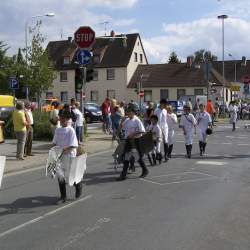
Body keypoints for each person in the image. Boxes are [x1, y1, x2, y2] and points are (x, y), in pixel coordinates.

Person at [52, 110, 82, 203]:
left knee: (70, 177)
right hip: (60, 156)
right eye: (60, 118)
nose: (61, 120)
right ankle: (63, 197)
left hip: (69, 155)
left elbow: (73, 145)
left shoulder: (71, 130)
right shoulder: (58, 130)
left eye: (63, 118)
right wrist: (52, 152)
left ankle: (78, 185)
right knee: (60, 177)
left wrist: (63, 150)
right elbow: (54, 143)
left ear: (67, 119)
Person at [116, 104, 149, 181]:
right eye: (127, 112)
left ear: (134, 112)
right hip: (128, 141)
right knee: (126, 158)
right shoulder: (126, 120)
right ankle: (123, 175)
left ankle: (145, 170)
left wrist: (133, 134)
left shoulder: (137, 120)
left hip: (135, 141)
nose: (128, 113)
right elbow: (120, 129)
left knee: (137, 157)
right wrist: (122, 122)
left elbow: (143, 131)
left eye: (130, 112)